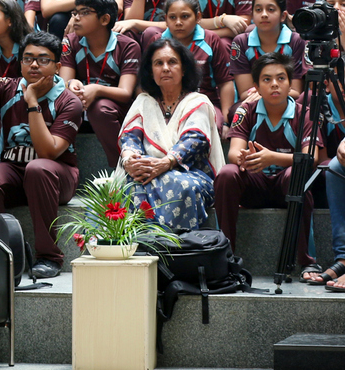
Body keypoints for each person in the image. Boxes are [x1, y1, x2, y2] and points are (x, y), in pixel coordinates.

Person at [0, 30, 83, 278]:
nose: (34, 65)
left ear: (58, 66)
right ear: (20, 62)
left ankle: (49, 257)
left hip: (56, 176)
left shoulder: (69, 102)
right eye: (28, 58)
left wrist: (31, 102)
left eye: (43, 59)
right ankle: (2, 254)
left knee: (38, 168)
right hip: (14, 172)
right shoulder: (6, 87)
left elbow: (48, 152)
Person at [216, 53, 317, 274]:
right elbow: (233, 153)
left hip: (288, 185)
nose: (274, 85)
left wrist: (271, 157)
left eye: (281, 78)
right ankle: (224, 259)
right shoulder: (245, 110)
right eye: (266, 79)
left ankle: (307, 262)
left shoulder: (305, 114)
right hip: (255, 183)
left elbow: (310, 158)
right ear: (256, 86)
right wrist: (246, 159)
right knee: (227, 173)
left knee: (296, 174)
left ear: (291, 84)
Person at [117, 36, 224, 230]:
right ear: (151, 71)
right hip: (146, 171)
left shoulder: (197, 102)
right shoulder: (144, 101)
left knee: (178, 184)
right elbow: (130, 138)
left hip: (190, 173)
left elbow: (195, 140)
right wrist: (130, 161)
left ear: (184, 69)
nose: (165, 68)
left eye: (172, 62)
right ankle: (141, 247)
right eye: (158, 63)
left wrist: (166, 163)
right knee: (129, 185)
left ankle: (175, 249)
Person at [59, 0, 140, 167]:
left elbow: (126, 93)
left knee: (100, 108)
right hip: (80, 104)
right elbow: (64, 83)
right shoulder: (70, 42)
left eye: (85, 12)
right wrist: (72, 84)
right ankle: (62, 165)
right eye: (75, 13)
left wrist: (96, 90)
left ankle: (121, 166)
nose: (76, 18)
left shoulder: (127, 46)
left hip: (114, 108)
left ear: (104, 19)